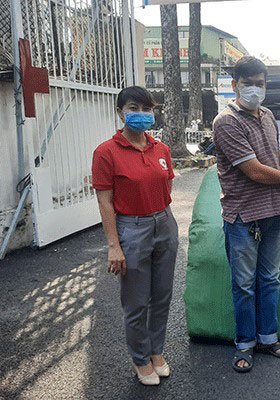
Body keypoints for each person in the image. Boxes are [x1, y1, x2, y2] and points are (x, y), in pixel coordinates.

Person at [212, 56, 280, 373]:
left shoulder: (268, 115)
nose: (254, 90)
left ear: (266, 85)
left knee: (270, 280)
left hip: (273, 211)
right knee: (244, 285)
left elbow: (273, 159)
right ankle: (245, 344)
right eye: (247, 84)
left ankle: (268, 338)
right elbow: (256, 173)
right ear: (235, 86)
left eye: (260, 84)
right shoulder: (226, 123)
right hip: (243, 217)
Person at [92, 86, 178, 385]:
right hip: (132, 228)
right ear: (120, 112)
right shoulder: (106, 152)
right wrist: (114, 245)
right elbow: (105, 201)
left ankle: (156, 351)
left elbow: (167, 186)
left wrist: (161, 218)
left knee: (162, 295)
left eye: (147, 109)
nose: (141, 115)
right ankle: (140, 359)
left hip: (165, 223)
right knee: (136, 300)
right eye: (133, 108)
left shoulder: (161, 149)